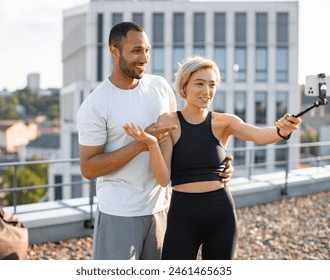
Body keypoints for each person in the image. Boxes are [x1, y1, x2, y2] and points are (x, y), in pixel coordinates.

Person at [76, 22, 234, 260]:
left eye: (148, 50)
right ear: (114, 51)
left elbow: (182, 138)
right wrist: (140, 144)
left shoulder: (160, 87)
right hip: (120, 213)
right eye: (136, 50)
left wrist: (217, 165)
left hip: (162, 208)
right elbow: (88, 168)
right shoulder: (96, 104)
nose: (144, 58)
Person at [123, 55, 301, 260]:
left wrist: (282, 129)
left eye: (212, 85)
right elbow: (163, 179)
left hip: (221, 214)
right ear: (184, 86)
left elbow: (260, 135)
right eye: (199, 83)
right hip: (182, 216)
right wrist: (152, 144)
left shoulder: (225, 122)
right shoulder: (168, 121)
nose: (207, 91)